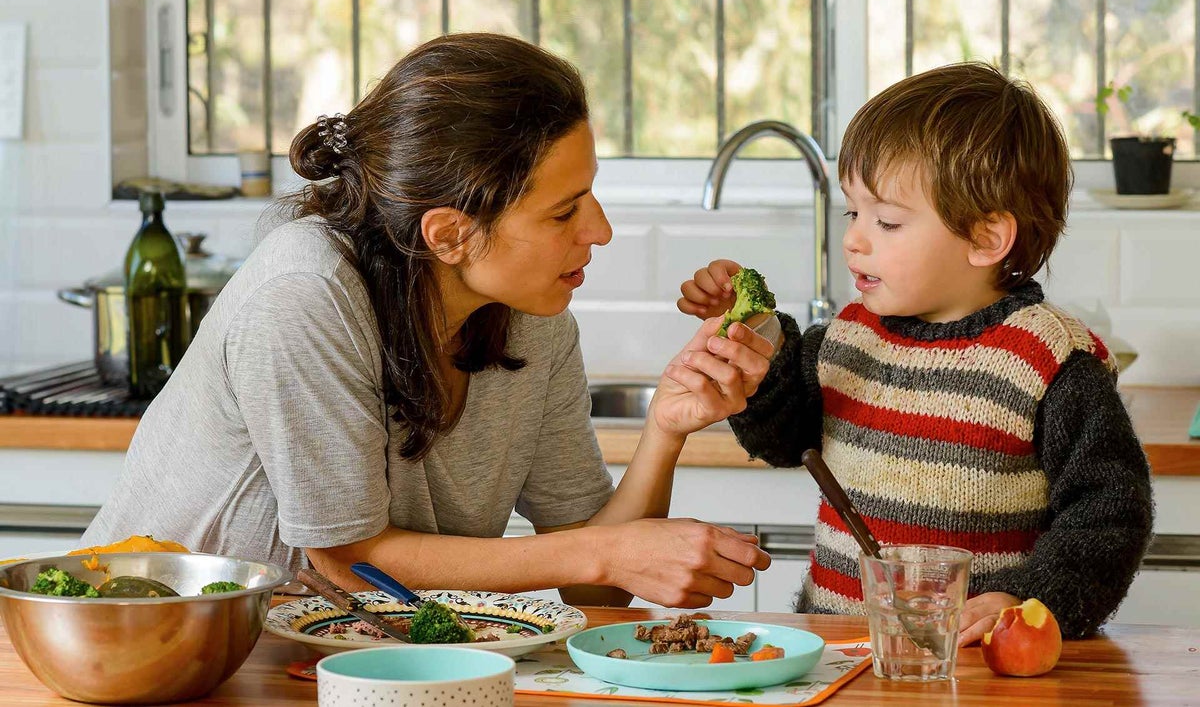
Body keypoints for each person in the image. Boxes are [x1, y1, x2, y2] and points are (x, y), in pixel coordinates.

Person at [83, 33, 775, 609]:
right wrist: (603, 553)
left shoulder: (536, 320)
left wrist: (666, 429)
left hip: (351, 662)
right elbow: (349, 563)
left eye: (590, 194)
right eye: (564, 210)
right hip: (159, 647)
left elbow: (594, 582)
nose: (600, 229)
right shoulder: (307, 292)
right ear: (448, 234)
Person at [677, 62, 1153, 641]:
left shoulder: (1047, 360)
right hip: (840, 654)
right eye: (854, 212)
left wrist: (1031, 600)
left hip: (978, 668)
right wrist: (758, 342)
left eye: (889, 221)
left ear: (984, 238)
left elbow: (1110, 513)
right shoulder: (851, 337)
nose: (854, 237)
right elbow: (784, 441)